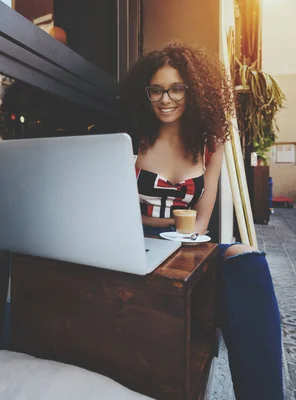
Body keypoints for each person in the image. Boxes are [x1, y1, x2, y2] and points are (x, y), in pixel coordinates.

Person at [121, 42, 284, 399]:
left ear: (192, 92)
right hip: (133, 242)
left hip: (186, 245)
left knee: (247, 261)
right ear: (144, 94)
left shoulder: (212, 143)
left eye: (177, 89)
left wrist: (170, 228)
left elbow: (201, 222)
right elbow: (118, 212)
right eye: (157, 90)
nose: (166, 99)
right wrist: (159, 224)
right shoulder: (132, 141)